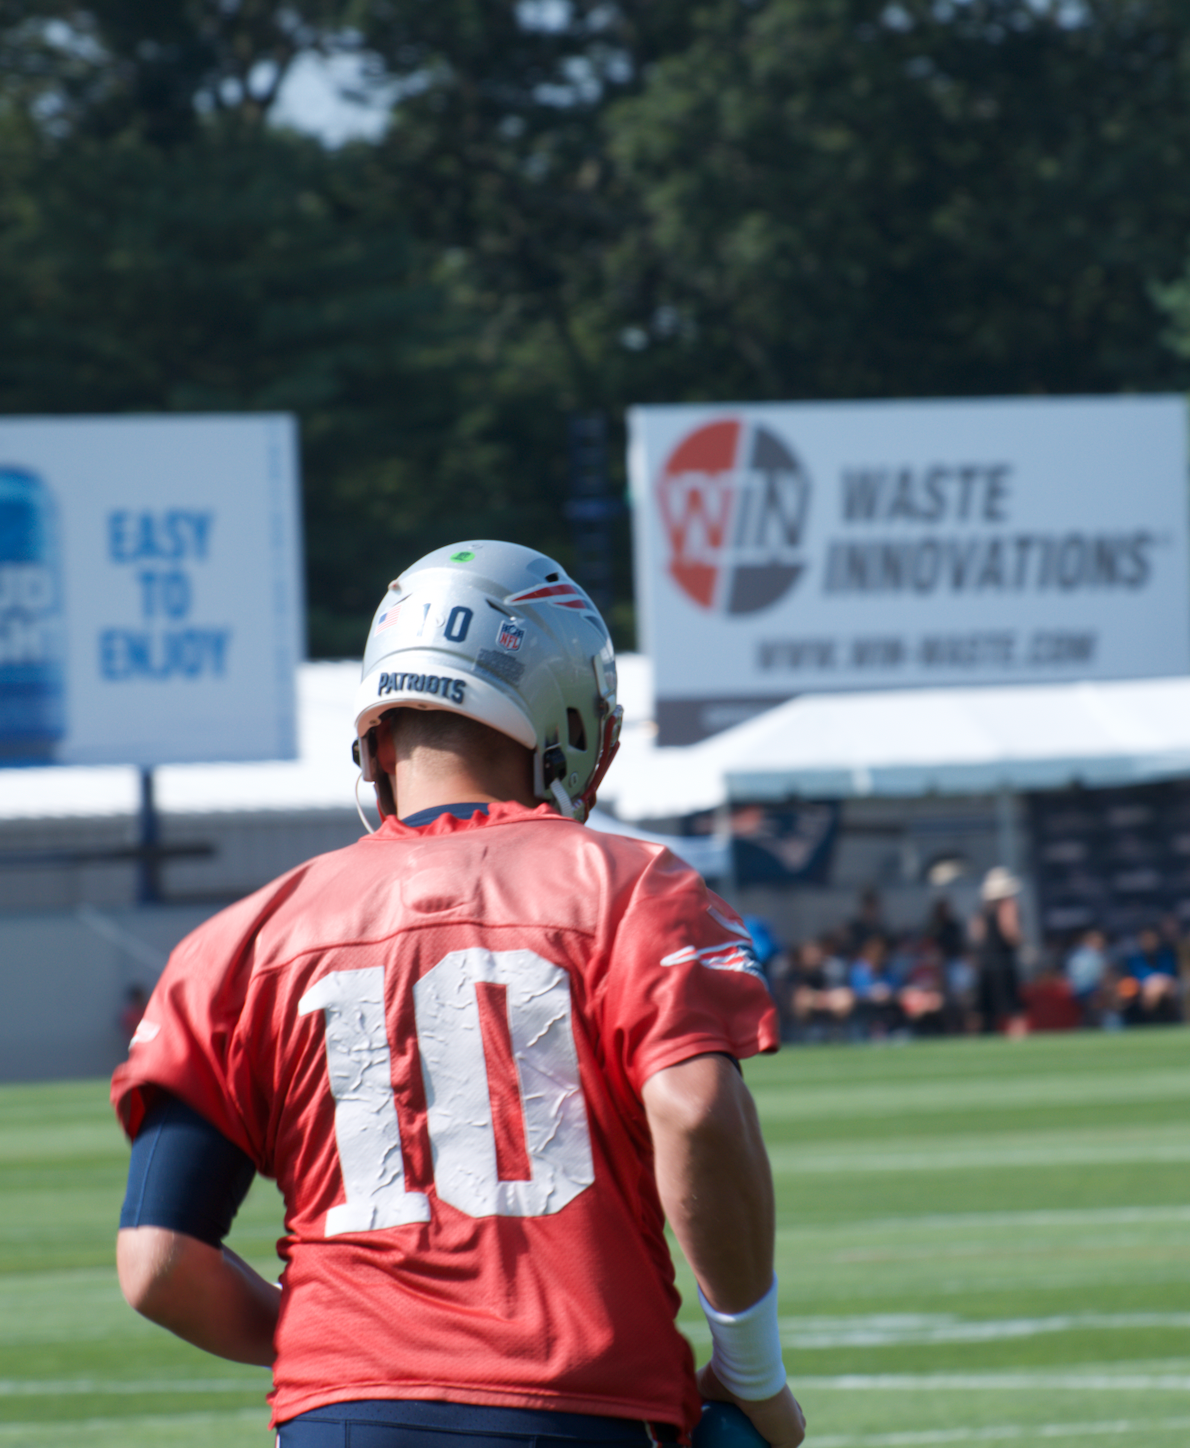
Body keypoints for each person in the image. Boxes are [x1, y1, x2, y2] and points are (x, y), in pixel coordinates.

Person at [110, 542, 805, 1448]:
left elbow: (157, 1264)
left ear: (379, 728)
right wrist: (751, 1370)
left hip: (343, 1418)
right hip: (578, 1405)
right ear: (564, 713)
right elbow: (698, 1109)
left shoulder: (240, 940)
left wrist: (364, 1340)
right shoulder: (629, 886)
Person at [973, 866, 1026, 1036]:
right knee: (1013, 1007)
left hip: (986, 961)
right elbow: (1009, 929)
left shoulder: (984, 909)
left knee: (983, 1008)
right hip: (1003, 961)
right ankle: (1017, 1038)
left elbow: (976, 935)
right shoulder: (1008, 904)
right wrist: (1023, 946)